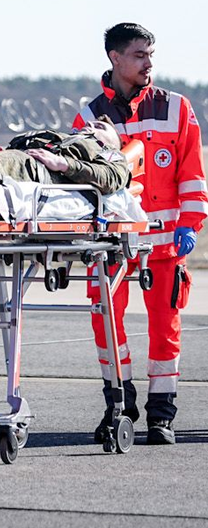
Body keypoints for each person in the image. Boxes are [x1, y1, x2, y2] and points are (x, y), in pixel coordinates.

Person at [71, 23, 206, 445]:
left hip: (165, 243)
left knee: (165, 326)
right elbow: (83, 183)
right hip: (111, 244)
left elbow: (193, 177)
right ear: (115, 58)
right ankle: (120, 404)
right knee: (106, 325)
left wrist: (190, 224)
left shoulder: (176, 108)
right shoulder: (89, 116)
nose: (149, 63)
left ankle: (161, 415)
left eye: (151, 54)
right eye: (139, 55)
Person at [0, 118, 130, 195]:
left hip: (38, 170)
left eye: (99, 127)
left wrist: (63, 163)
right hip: (21, 161)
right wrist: (1, 152)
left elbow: (111, 177)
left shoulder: (108, 151)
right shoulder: (66, 139)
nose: (90, 123)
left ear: (111, 142)